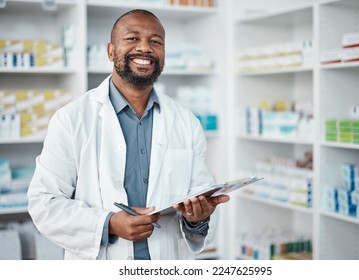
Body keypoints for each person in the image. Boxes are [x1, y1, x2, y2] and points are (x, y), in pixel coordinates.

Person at [27, 9, 229, 260]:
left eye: (155, 41)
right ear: (111, 51)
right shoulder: (71, 119)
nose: (145, 48)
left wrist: (197, 218)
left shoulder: (186, 121)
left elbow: (197, 193)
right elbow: (44, 203)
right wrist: (109, 224)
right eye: (132, 38)